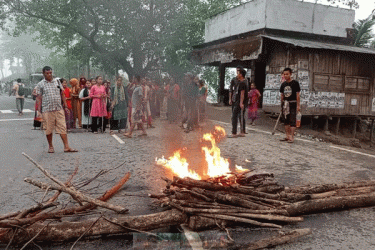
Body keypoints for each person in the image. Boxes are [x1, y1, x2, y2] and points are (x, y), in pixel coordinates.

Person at [35, 66, 78, 153]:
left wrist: (65, 106)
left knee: (63, 127)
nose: (49, 75)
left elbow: (62, 94)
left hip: (58, 108)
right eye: (47, 73)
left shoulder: (57, 81)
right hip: (47, 110)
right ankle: (51, 146)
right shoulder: (40, 84)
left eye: (50, 73)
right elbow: (39, 98)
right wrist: (39, 111)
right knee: (48, 128)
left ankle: (66, 146)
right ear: (43, 74)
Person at [280, 68, 301, 143]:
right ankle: (287, 135)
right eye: (284, 74)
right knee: (286, 120)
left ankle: (292, 136)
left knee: (292, 120)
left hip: (293, 103)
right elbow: (282, 95)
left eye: (287, 74)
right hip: (285, 104)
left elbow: (298, 95)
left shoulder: (295, 83)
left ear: (290, 74)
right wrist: (281, 104)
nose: (285, 75)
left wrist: (298, 105)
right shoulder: (283, 84)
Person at [228, 66, 248, 138]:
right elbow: (231, 89)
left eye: (238, 73)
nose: (237, 74)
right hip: (236, 100)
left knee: (235, 116)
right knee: (238, 115)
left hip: (239, 101)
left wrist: (241, 102)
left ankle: (234, 132)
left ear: (241, 74)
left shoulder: (243, 82)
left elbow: (242, 94)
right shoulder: (236, 81)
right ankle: (241, 132)